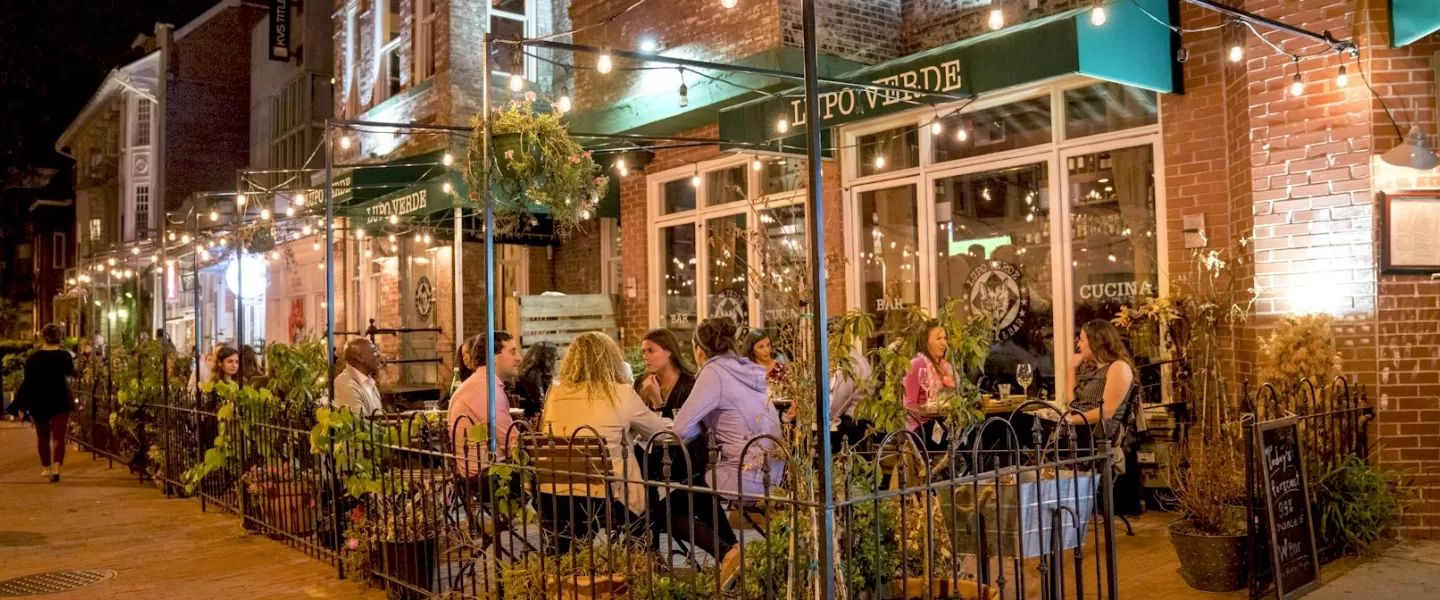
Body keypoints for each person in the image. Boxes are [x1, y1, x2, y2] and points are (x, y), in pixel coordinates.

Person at [672, 317, 783, 587]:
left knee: (670, 509)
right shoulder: (745, 369)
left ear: (699, 349)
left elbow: (679, 429)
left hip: (746, 473)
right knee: (700, 493)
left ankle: (729, 553)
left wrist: (701, 424)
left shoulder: (714, 372)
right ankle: (733, 555)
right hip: (772, 471)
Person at [536, 332, 669, 554]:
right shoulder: (621, 394)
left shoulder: (555, 393)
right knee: (650, 497)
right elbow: (660, 434)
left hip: (557, 497)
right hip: (609, 501)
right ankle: (640, 560)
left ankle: (565, 566)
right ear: (612, 360)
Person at [9, 324, 76, 482]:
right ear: (59, 338)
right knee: (59, 437)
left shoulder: (33, 359)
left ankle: (46, 468)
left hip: (39, 401)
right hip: (60, 400)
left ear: (43, 337)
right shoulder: (65, 356)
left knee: (43, 437)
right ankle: (56, 467)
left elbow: (28, 383)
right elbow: (70, 372)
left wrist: (18, 405)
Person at [447, 332, 520, 479]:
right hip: (486, 478)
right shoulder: (485, 388)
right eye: (512, 352)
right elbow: (511, 444)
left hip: (482, 474)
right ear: (493, 357)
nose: (519, 358)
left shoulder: (479, 383)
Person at [1066, 320, 1136, 438]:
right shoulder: (1092, 369)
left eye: (1082, 340)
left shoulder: (1118, 367)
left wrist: (1069, 420)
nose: (1078, 344)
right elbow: (1073, 405)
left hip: (1097, 436)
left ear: (1096, 342)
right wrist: (1071, 369)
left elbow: (1107, 412)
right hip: (1080, 430)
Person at [903, 320, 957, 434]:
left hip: (944, 422)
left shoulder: (945, 367)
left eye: (945, 338)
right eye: (938, 339)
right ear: (925, 342)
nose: (944, 343)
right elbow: (908, 405)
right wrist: (930, 410)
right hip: (922, 427)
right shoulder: (916, 364)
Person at [635, 328, 696, 418]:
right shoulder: (640, 382)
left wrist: (657, 401)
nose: (645, 356)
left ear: (668, 351)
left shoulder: (688, 384)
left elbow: (679, 425)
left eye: (651, 351)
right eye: (643, 352)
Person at [332, 338, 383, 416]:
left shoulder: (368, 381)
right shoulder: (345, 384)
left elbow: (378, 417)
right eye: (374, 351)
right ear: (360, 358)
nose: (379, 354)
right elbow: (360, 424)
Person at [510, 341, 558, 418]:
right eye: (554, 356)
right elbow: (540, 402)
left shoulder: (531, 372)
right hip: (530, 419)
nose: (556, 357)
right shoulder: (533, 374)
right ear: (547, 357)